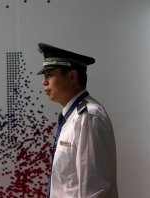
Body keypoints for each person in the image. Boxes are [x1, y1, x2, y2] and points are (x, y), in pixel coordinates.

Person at [37, 43, 118, 197]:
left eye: (49, 74)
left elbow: (95, 191)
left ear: (72, 77)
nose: (44, 81)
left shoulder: (88, 117)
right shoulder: (72, 116)